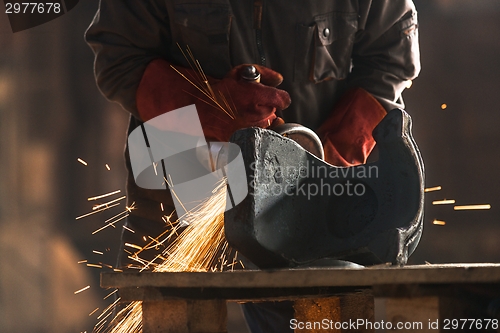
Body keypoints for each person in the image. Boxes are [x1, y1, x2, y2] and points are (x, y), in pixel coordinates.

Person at [86, 1, 420, 331]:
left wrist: (323, 162)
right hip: (180, 194)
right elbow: (119, 58)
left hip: (311, 207)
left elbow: (390, 56)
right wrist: (207, 104)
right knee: (165, 314)